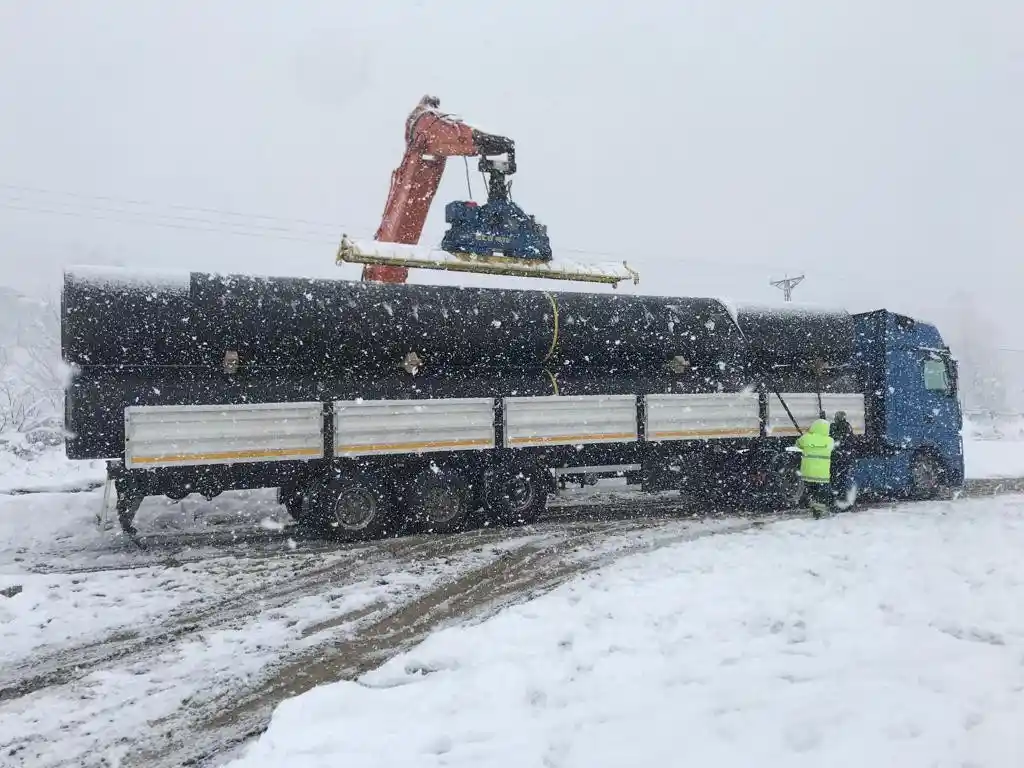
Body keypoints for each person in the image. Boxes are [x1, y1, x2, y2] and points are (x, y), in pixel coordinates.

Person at [796, 418, 836, 518]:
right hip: (822, 475)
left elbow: (798, 444)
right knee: (821, 494)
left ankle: (808, 502)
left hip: (808, 473)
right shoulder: (830, 441)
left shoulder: (806, 438)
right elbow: (832, 448)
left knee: (809, 490)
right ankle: (818, 510)